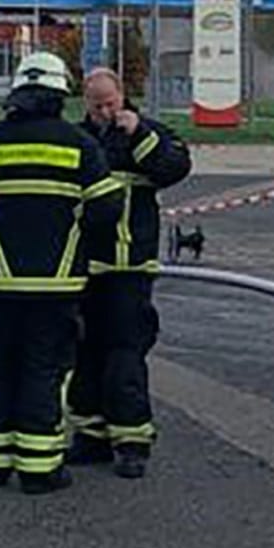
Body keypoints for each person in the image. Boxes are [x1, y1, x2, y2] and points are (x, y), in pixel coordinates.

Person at [0, 51, 120, 494]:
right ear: (60, 95)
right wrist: (74, 232)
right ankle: (39, 470)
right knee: (42, 371)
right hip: (56, 286)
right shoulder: (80, 145)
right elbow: (109, 207)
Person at [66, 68, 192, 479]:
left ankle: (132, 442)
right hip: (86, 265)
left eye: (111, 103)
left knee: (126, 354)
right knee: (85, 352)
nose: (105, 111)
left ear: (122, 96)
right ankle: (90, 436)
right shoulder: (78, 139)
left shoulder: (150, 132)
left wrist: (138, 132)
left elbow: (173, 167)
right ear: (85, 103)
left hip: (131, 265)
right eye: (97, 105)